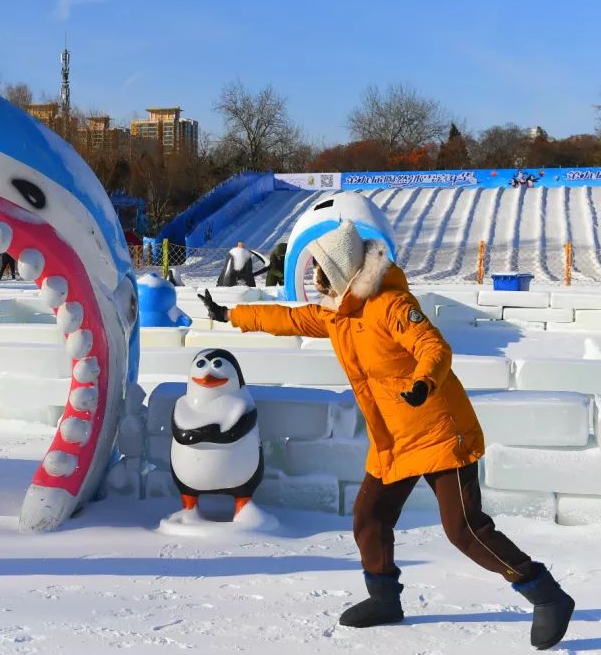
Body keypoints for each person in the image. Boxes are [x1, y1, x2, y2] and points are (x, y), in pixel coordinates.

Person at [198, 219, 575, 650]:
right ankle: (385, 600)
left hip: (438, 430)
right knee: (370, 518)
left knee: (464, 529)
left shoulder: (391, 305)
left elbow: (433, 347)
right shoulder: (340, 314)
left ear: (339, 269)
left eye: (319, 269)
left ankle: (545, 594)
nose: (313, 278)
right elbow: (290, 319)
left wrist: (423, 382)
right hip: (394, 440)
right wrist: (229, 314)